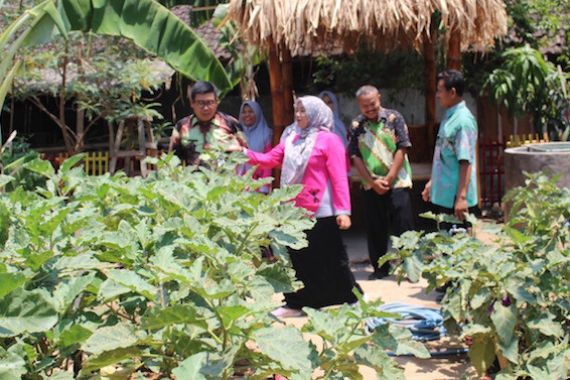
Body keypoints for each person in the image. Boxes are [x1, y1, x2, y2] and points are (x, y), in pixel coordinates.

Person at [244, 96, 362, 317]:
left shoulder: (330, 140)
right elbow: (269, 159)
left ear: (316, 113)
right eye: (296, 111)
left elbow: (339, 178)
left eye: (303, 111)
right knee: (297, 258)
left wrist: (343, 211)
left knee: (332, 257)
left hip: (322, 209)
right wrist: (242, 153)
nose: (298, 115)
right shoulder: (291, 138)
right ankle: (297, 303)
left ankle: (353, 299)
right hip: (293, 210)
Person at [349, 85, 414, 280]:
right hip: (371, 184)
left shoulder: (395, 118)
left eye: (373, 104)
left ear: (379, 98)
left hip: (398, 182)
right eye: (365, 106)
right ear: (359, 106)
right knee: (375, 228)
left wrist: (390, 178)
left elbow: (402, 148)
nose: (369, 109)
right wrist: (372, 182)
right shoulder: (356, 125)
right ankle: (379, 269)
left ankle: (409, 268)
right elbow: (355, 156)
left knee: (404, 227)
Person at [422, 70, 478, 229]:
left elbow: (465, 161)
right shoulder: (449, 117)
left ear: (452, 92)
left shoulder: (463, 121)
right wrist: (433, 181)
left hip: (455, 200)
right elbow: (446, 155)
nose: (437, 95)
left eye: (440, 91)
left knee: (458, 249)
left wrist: (461, 198)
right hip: (445, 197)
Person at [169, 81, 245, 165]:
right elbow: (173, 158)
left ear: (217, 102)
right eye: (201, 103)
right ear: (192, 103)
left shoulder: (231, 124)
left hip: (224, 177)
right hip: (192, 177)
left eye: (210, 102)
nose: (205, 108)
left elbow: (246, 153)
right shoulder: (182, 126)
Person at [239, 100, 273, 194]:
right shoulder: (236, 133)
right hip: (237, 185)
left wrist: (264, 188)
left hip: (257, 186)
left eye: (250, 112)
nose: (247, 115)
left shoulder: (266, 134)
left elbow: (268, 162)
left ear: (257, 113)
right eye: (244, 112)